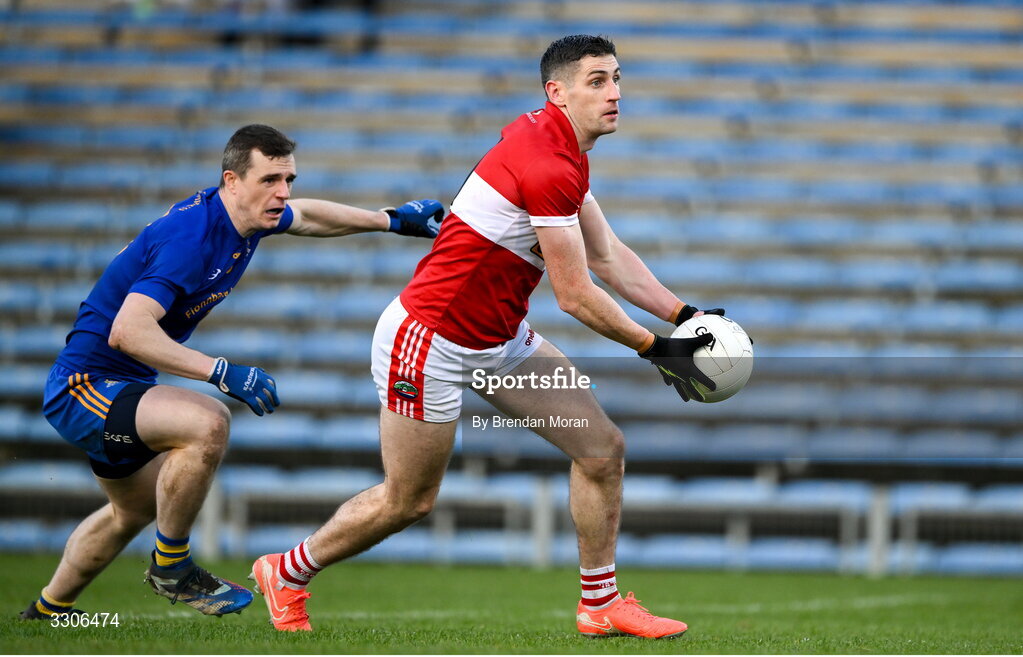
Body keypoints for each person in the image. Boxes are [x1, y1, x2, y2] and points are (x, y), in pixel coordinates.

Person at [251, 35, 723, 638]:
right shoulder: (549, 162)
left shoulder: (562, 150)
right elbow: (575, 294)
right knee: (409, 501)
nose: (615, 93)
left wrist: (684, 315)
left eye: (618, 79)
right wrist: (655, 349)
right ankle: (286, 572)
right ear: (558, 93)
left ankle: (599, 605)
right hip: (429, 340)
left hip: (499, 340)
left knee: (602, 449)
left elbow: (607, 255)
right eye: (598, 81)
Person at [19, 124, 444, 621]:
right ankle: (171, 566)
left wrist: (389, 221)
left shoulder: (246, 218)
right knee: (207, 423)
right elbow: (128, 332)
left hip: (125, 387)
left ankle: (47, 613)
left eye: (288, 178)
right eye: (270, 180)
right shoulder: (191, 239)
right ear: (232, 180)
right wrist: (220, 371)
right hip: (85, 387)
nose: (282, 192)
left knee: (130, 512)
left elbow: (308, 216)